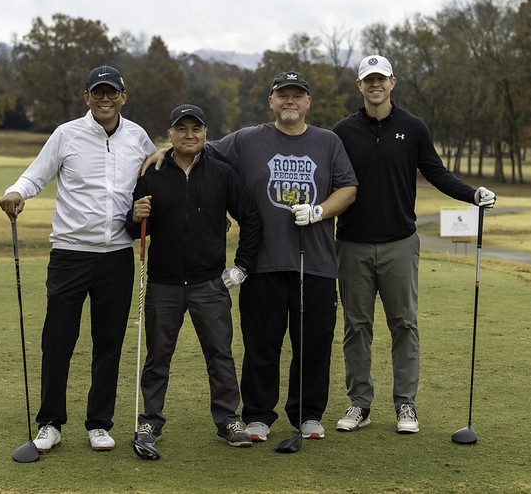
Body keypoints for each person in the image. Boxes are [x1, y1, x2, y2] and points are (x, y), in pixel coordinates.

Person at [143, 71, 357, 442]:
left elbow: (348, 187)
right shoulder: (246, 139)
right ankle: (258, 414)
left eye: (297, 95)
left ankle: (307, 415)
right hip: (264, 263)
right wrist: (164, 151)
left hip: (316, 262)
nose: (289, 101)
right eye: (282, 95)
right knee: (261, 343)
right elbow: (198, 148)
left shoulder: (328, 141)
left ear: (307, 102)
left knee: (313, 344)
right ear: (271, 101)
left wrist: (321, 211)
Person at [332, 55, 496, 434]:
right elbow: (330, 182)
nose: (375, 85)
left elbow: (436, 172)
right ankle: (360, 403)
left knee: (404, 323)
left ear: (393, 82)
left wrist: (473, 195)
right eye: (368, 80)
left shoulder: (412, 127)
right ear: (359, 86)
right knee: (357, 326)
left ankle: (406, 404)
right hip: (352, 243)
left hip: (400, 243)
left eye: (381, 79)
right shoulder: (342, 131)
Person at [0, 65, 157, 453]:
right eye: (97, 93)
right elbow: (36, 175)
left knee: (109, 342)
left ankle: (99, 423)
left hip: (119, 255)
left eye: (112, 93)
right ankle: (50, 422)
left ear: (123, 96)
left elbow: (161, 172)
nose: (105, 99)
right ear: (87, 97)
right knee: (58, 340)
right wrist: (16, 191)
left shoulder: (137, 136)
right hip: (71, 253)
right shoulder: (66, 134)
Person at [125, 104, 262, 450]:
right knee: (158, 356)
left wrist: (242, 266)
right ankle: (150, 423)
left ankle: (228, 420)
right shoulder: (151, 174)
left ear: (205, 134)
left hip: (209, 283)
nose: (189, 135)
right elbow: (138, 228)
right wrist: (134, 215)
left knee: (219, 354)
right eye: (181, 129)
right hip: (163, 283)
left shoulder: (222, 173)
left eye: (195, 129)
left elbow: (251, 218)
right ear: (169, 134)